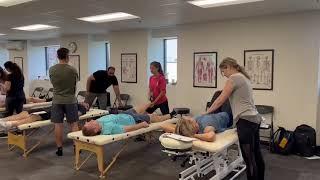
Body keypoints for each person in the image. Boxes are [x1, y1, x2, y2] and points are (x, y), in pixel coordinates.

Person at [204, 57, 265, 180]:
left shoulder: (234, 78)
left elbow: (220, 99)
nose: (224, 75)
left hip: (245, 121)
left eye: (223, 71)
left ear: (228, 67)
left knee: (249, 159)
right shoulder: (244, 78)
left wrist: (206, 113)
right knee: (256, 154)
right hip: (254, 119)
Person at [49, 47, 79, 156]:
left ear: (57, 56)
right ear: (67, 56)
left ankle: (59, 149)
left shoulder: (52, 69)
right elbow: (74, 85)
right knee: (73, 124)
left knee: (58, 125)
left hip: (57, 100)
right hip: (70, 100)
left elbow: (53, 84)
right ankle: (77, 147)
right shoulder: (72, 70)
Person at [82, 103, 177, 136]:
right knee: (155, 118)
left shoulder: (98, 122)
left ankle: (152, 109)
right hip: (134, 120)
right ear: (95, 130)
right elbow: (127, 129)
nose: (89, 121)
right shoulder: (108, 129)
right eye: (89, 123)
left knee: (148, 104)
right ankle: (171, 115)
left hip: (125, 114)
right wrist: (141, 125)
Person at [0, 102, 89, 130]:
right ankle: (3, 119)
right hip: (50, 107)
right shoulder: (74, 101)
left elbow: (77, 114)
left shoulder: (82, 108)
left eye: (87, 105)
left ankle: (11, 124)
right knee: (25, 113)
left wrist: (67, 114)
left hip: (55, 112)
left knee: (34, 117)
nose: (85, 103)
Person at [161, 112, 231, 142]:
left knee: (218, 93)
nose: (188, 116)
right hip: (228, 115)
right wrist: (193, 135)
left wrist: (183, 133)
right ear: (192, 124)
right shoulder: (206, 126)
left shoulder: (186, 128)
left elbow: (163, 125)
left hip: (215, 113)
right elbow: (211, 137)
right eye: (188, 118)